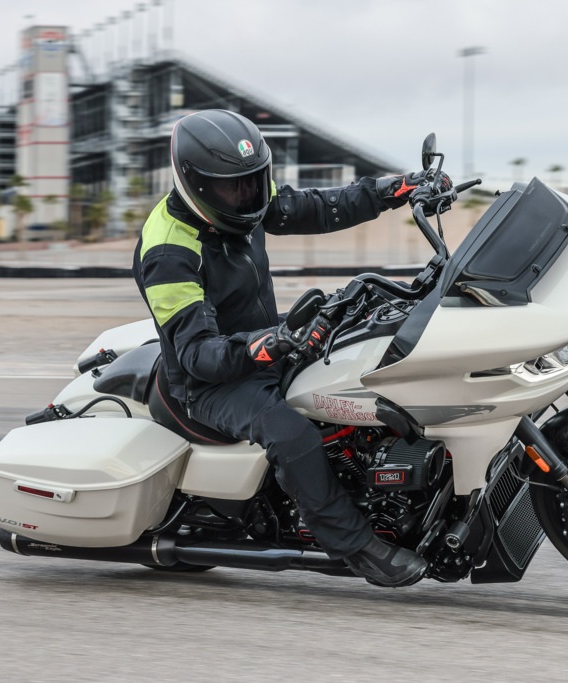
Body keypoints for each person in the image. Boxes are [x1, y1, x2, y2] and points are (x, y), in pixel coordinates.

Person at [133, 109, 447, 587]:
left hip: (262, 341)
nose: (248, 196)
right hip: (208, 383)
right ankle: (354, 543)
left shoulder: (243, 196)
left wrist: (394, 190)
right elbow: (199, 353)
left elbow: (317, 206)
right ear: (194, 183)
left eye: (255, 182)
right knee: (291, 433)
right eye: (233, 187)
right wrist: (267, 344)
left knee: (363, 342)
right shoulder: (168, 252)